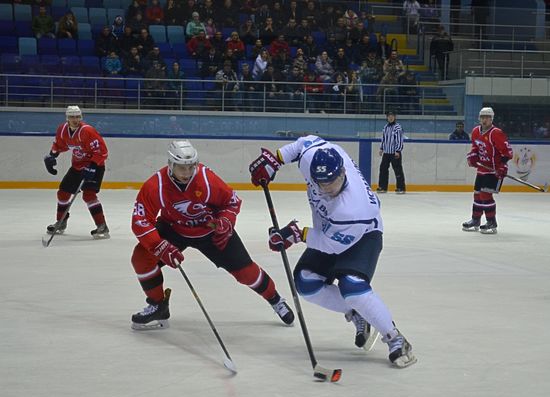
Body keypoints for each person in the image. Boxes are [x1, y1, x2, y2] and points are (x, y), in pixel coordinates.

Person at [248, 136, 417, 368]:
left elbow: (331, 246)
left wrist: (296, 234)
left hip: (364, 234)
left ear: (343, 173)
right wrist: (276, 160)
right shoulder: (313, 160)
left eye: (334, 181)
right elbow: (304, 143)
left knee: (353, 287)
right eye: (322, 183)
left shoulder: (354, 208)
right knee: (306, 283)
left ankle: (395, 338)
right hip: (329, 229)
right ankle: (357, 313)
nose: (328, 188)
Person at [130, 140, 295, 330]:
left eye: (191, 167)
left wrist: (226, 221)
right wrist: (159, 245)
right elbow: (140, 220)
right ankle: (158, 305)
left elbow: (232, 202)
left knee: (246, 273)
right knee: (141, 258)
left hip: (211, 230)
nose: (187, 173)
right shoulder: (156, 185)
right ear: (170, 164)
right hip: (173, 228)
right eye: (181, 168)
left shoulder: (207, 179)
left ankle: (274, 299)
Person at [43, 106, 110, 239]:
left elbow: (102, 151)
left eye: (78, 117)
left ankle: (102, 226)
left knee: (89, 195)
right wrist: (52, 156)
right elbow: (59, 145)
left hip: (95, 166)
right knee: (63, 193)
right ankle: (60, 223)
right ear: (67, 118)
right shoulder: (62, 130)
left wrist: (92, 167)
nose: (75, 120)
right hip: (77, 166)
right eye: (72, 117)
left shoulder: (87, 131)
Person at [462, 107, 513, 234]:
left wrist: (502, 166)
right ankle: (475, 220)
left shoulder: (496, 133)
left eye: (487, 117)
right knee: (477, 194)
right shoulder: (475, 131)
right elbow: (475, 147)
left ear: (491, 119)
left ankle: (491, 222)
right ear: (479, 118)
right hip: (482, 169)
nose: (484, 120)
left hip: (494, 170)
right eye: (482, 117)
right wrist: (473, 156)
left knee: (486, 194)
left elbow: (507, 152)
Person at [378, 111, 406, 194]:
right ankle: (383, 187)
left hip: (394, 153)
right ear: (387, 117)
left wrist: (398, 150)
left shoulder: (398, 127)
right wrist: (381, 148)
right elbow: (384, 139)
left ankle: (401, 187)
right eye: (389, 116)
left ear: (395, 117)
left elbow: (399, 140)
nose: (390, 117)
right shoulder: (385, 127)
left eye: (392, 116)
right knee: (383, 169)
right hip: (386, 152)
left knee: (397, 170)